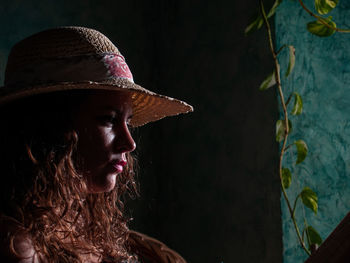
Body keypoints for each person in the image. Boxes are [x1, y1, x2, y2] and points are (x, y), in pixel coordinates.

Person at [0, 26, 193, 263]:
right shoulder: (18, 246)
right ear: (52, 128)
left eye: (128, 122)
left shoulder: (87, 220)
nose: (129, 143)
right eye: (109, 119)